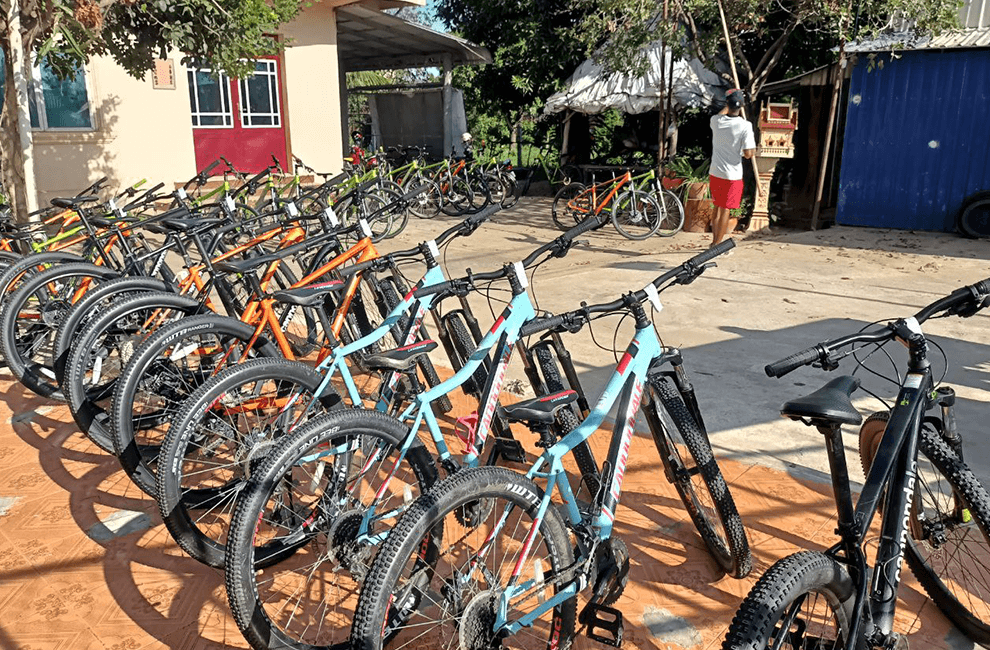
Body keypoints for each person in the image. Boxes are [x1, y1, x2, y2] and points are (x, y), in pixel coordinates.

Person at [709, 88, 756, 246]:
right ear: (742, 106)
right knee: (725, 210)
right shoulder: (745, 126)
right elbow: (749, 153)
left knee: (717, 207)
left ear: (727, 105)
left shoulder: (716, 121)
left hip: (715, 172)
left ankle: (713, 243)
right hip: (732, 175)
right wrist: (757, 149)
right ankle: (716, 245)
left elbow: (723, 112)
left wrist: (731, 99)